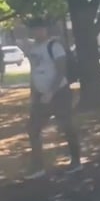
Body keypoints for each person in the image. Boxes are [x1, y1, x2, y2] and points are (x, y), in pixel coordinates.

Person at [23, 17, 82, 179]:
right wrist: (33, 93)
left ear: (46, 29)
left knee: (66, 125)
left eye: (39, 28)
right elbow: (34, 72)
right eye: (34, 29)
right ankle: (38, 166)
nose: (37, 32)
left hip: (59, 93)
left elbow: (61, 70)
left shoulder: (54, 46)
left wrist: (52, 91)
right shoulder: (33, 49)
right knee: (33, 128)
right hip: (41, 95)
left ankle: (76, 160)